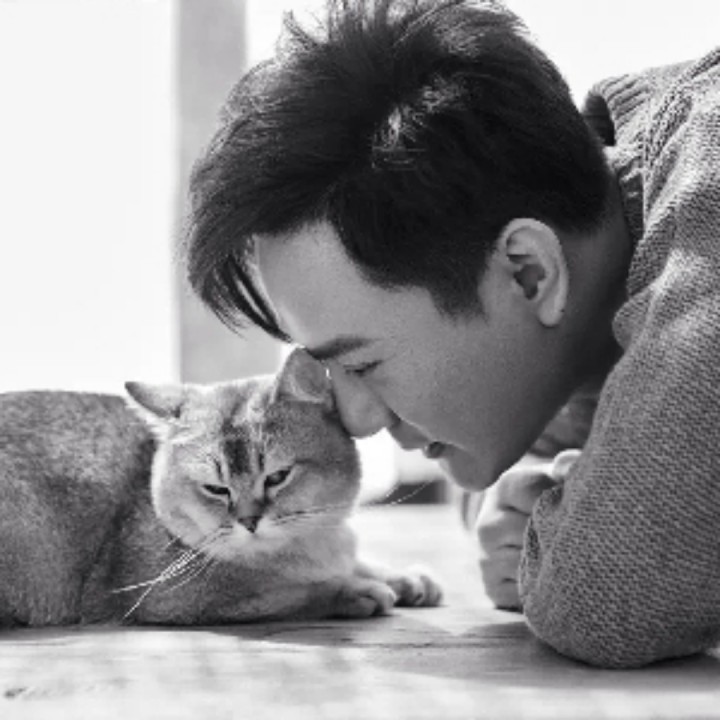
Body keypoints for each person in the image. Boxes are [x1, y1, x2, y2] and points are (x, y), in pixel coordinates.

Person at [184, 0, 720, 668]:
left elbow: (609, 593)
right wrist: (522, 498)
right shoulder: (593, 281)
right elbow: (544, 456)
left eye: (363, 364)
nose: (354, 420)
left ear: (528, 272)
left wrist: (580, 538)